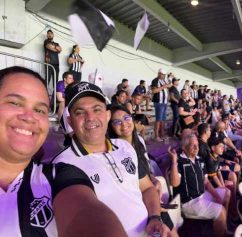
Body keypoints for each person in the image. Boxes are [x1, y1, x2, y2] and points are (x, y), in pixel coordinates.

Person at [0, 66, 125, 237]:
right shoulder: (66, 159)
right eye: (15, 103)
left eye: (40, 110)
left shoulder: (58, 176)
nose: (29, 116)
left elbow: (85, 213)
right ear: (69, 120)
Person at [51, 81, 167, 236]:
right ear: (70, 121)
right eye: (80, 112)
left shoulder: (124, 146)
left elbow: (146, 188)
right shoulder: (63, 165)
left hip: (150, 230)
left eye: (97, 109)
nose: (90, 117)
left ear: (107, 115)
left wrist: (155, 217)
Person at [168, 133, 229, 236]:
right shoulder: (179, 161)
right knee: (221, 212)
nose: (196, 147)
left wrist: (217, 196)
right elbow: (174, 183)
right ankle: (220, 228)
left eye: (197, 144)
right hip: (190, 202)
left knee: (226, 193)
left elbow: (206, 181)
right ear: (184, 147)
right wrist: (174, 161)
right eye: (193, 145)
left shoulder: (199, 159)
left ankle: (223, 227)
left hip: (202, 195)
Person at [150, 70, 172, 142]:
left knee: (163, 119)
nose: (164, 76)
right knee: (158, 119)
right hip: (159, 102)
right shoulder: (155, 80)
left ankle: (162, 134)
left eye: (165, 75)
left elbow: (167, 89)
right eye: (163, 74)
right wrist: (165, 86)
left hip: (164, 102)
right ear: (159, 73)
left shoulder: (163, 81)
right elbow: (154, 91)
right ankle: (156, 136)